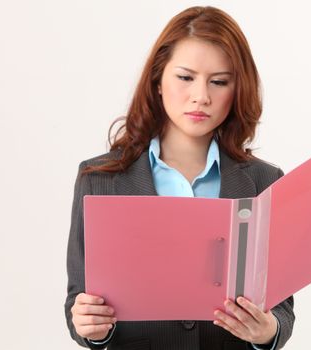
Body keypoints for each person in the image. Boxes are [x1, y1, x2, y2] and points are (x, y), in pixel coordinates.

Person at [65, 6, 295, 350]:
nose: (201, 96)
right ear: (158, 80)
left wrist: (267, 331)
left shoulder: (265, 181)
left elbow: (283, 309)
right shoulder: (99, 180)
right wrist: (90, 326)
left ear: (237, 90)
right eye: (185, 77)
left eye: (219, 82)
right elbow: (78, 301)